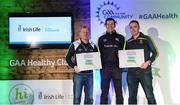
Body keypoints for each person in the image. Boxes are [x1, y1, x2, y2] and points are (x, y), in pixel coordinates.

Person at [126, 20, 159, 104]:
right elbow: (126, 56)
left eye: (135, 27)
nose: (133, 29)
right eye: (131, 27)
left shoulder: (146, 38)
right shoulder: (128, 42)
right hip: (131, 73)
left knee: (149, 96)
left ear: (139, 27)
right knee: (132, 97)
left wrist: (148, 62)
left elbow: (155, 52)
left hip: (145, 72)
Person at [66, 25, 98, 105]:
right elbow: (68, 57)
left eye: (87, 32)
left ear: (89, 33)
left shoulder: (93, 45)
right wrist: (74, 66)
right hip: (78, 75)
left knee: (89, 99)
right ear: (80, 34)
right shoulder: (74, 44)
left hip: (90, 74)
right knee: (77, 98)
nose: (85, 33)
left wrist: (97, 65)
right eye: (83, 32)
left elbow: (97, 58)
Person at [98, 18, 125, 104]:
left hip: (116, 69)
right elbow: (98, 54)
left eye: (112, 24)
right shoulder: (101, 39)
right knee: (104, 92)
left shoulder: (121, 38)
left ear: (115, 25)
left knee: (119, 93)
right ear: (105, 25)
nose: (110, 25)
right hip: (104, 69)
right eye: (108, 24)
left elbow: (124, 53)